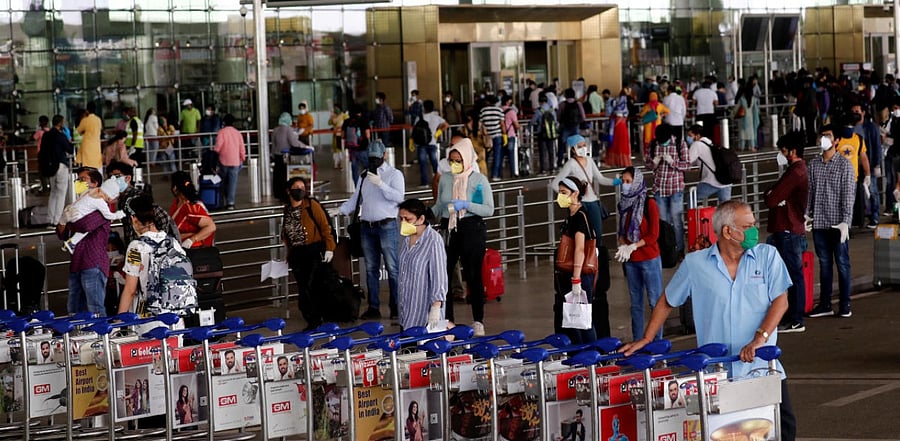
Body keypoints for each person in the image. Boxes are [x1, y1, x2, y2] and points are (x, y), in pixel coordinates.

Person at [622, 200, 797, 441]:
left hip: (761, 368)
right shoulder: (696, 264)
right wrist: (647, 338)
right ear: (728, 231)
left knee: (782, 430)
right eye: (748, 226)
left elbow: (781, 301)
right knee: (724, 434)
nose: (755, 231)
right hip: (716, 375)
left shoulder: (767, 256)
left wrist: (760, 338)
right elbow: (666, 301)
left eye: (754, 225)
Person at [432, 138, 494, 336]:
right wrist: (423, 214)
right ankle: (448, 319)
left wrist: (466, 204)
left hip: (472, 227)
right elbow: (440, 204)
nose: (454, 164)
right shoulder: (445, 179)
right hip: (449, 227)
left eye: (458, 160)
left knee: (473, 275)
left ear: (467, 159)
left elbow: (488, 209)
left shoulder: (478, 180)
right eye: (451, 160)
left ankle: (478, 320)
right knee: (445, 275)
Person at [338, 140, 404, 320]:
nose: (373, 161)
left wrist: (381, 184)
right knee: (371, 269)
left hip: (387, 225)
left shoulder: (394, 174)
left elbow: (399, 197)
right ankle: (373, 307)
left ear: (384, 155)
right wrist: (340, 210)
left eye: (376, 158)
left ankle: (396, 306)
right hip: (367, 226)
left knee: (392, 268)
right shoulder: (364, 176)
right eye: (371, 158)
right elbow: (356, 200)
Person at [118, 194, 197, 328]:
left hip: (149, 318)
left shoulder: (136, 247)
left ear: (133, 219)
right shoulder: (172, 242)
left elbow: (130, 289)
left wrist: (118, 322)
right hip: (176, 317)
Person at [807, 125, 856, 319]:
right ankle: (825, 304)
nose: (824, 139)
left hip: (838, 225)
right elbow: (810, 192)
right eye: (822, 136)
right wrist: (807, 214)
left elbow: (848, 196)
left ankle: (845, 305)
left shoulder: (845, 165)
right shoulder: (813, 165)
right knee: (825, 264)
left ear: (836, 141)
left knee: (842, 263)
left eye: (828, 136)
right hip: (819, 223)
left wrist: (846, 222)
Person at [765, 131, 809, 333]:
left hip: (788, 228)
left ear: (792, 151)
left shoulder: (795, 172)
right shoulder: (797, 170)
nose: (781, 154)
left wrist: (773, 196)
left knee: (792, 276)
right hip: (790, 228)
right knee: (792, 275)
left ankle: (795, 319)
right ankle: (793, 317)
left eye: (783, 150)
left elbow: (771, 199)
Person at [615, 167, 663, 341]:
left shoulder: (649, 204)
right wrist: (623, 246)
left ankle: (657, 342)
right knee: (635, 304)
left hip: (649, 259)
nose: (625, 185)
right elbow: (621, 232)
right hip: (631, 261)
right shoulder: (624, 204)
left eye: (628, 181)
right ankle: (637, 342)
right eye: (623, 182)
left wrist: (634, 246)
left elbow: (653, 235)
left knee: (655, 302)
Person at [281, 177, 335, 331]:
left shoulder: (312, 205)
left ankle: (315, 319)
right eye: (296, 187)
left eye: (302, 187)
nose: (300, 190)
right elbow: (287, 234)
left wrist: (329, 247)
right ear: (288, 190)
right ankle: (312, 317)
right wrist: (289, 254)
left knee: (311, 285)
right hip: (297, 254)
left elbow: (325, 226)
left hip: (313, 251)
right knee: (303, 286)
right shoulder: (287, 210)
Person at [57, 179, 113, 315]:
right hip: (76, 263)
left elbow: (85, 226)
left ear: (95, 184)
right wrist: (63, 221)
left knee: (95, 308)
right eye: (78, 179)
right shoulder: (77, 207)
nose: (79, 183)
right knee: (74, 308)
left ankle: (101, 336)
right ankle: (77, 336)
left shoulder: (101, 208)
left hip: (93, 263)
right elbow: (61, 234)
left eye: (83, 180)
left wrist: (68, 221)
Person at [552, 176, 597, 344]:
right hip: (569, 275)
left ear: (575, 193)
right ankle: (581, 356)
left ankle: (591, 359)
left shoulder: (580, 216)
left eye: (564, 193)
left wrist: (576, 279)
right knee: (573, 321)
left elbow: (580, 248)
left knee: (584, 321)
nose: (560, 197)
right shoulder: (570, 215)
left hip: (579, 276)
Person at [551, 134, 621, 238]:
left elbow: (600, 179)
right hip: (579, 204)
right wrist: (571, 198)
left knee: (597, 234)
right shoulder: (570, 164)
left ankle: (596, 253)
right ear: (573, 149)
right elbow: (555, 184)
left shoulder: (590, 160)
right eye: (580, 146)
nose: (583, 148)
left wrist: (616, 182)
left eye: (584, 145)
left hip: (593, 202)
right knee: (581, 234)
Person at [397, 199, 447, 331]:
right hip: (406, 313)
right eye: (401, 219)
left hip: (424, 315)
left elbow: (439, 277)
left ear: (421, 219)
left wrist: (436, 307)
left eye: (408, 219)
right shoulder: (406, 239)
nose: (403, 223)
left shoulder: (433, 241)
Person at [644, 124, 690, 256]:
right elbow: (648, 165)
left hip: (675, 188)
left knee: (677, 221)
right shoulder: (653, 145)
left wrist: (673, 162)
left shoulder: (679, 144)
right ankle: (666, 250)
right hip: (659, 189)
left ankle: (679, 249)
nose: (662, 143)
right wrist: (654, 162)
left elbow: (687, 165)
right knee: (663, 222)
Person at [108, 161, 180, 245]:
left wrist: (158, 239)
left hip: (145, 247)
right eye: (110, 177)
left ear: (128, 178)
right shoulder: (122, 200)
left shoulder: (136, 197)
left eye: (117, 176)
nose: (113, 180)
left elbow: (162, 217)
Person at [59, 178, 126, 254]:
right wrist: (119, 214)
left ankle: (71, 243)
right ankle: (72, 242)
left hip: (72, 214)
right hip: (77, 218)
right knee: (86, 228)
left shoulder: (89, 193)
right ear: (109, 197)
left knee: (84, 230)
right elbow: (108, 216)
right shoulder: (100, 202)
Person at [850, 103, 882, 227]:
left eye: (857, 111)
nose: (855, 113)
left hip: (870, 164)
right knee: (858, 193)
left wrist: (877, 165)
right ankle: (860, 218)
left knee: (872, 191)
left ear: (863, 112)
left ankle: (874, 218)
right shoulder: (851, 127)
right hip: (855, 166)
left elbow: (876, 146)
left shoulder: (871, 127)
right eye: (853, 111)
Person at [40, 115, 74, 226]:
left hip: (50, 167)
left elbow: (42, 150)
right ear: (60, 123)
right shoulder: (60, 135)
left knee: (53, 193)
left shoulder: (46, 135)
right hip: (60, 165)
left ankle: (50, 219)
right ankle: (57, 220)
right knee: (61, 193)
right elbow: (70, 149)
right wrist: (68, 139)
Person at [169, 171, 216, 249]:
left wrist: (192, 239)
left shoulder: (191, 208)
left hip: (194, 249)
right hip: (181, 247)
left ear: (175, 188)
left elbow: (211, 227)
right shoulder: (177, 203)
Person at [687, 124, 732, 202]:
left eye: (690, 135)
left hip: (712, 181)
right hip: (725, 181)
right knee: (725, 208)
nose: (688, 138)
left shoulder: (697, 144)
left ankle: (694, 214)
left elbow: (687, 161)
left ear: (697, 136)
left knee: (691, 198)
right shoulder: (710, 143)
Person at [213, 114, 247, 210]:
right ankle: (230, 203)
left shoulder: (221, 132)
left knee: (223, 181)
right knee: (233, 182)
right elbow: (242, 147)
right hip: (235, 161)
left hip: (223, 161)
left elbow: (218, 146)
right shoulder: (237, 133)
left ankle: (222, 200)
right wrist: (242, 157)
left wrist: (214, 154)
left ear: (224, 122)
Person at [417, 100, 450, 186]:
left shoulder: (420, 117)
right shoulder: (436, 117)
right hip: (433, 142)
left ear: (424, 107)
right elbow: (446, 124)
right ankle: (438, 180)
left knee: (423, 163)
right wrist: (438, 131)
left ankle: (424, 183)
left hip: (422, 143)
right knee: (434, 162)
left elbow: (415, 129)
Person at [557, 88, 586, 169]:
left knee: (562, 145)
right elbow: (583, 117)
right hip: (575, 127)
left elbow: (558, 117)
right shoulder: (578, 104)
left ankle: (560, 162)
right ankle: (577, 160)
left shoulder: (562, 104)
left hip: (565, 127)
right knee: (576, 145)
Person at [478, 96, 504, 181]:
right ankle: (495, 175)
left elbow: (480, 124)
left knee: (486, 156)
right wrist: (505, 134)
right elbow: (502, 124)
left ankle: (485, 173)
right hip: (497, 135)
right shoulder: (499, 110)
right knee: (497, 155)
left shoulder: (483, 111)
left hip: (487, 137)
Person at [530, 94, 558, 174]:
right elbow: (555, 122)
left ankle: (543, 169)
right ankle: (552, 168)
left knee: (542, 151)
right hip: (551, 133)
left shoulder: (539, 111)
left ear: (539, 102)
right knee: (551, 151)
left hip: (541, 133)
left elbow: (533, 121)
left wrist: (529, 127)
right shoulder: (552, 110)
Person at [606, 88, 632, 167]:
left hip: (616, 125)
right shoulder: (625, 101)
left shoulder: (616, 101)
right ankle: (623, 161)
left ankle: (614, 161)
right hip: (622, 125)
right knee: (623, 143)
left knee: (615, 143)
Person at [76, 101, 103, 171]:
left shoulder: (85, 120)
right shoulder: (98, 120)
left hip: (87, 147)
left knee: (87, 168)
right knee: (97, 167)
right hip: (96, 146)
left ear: (87, 110)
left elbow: (79, 131)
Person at [735, 86, 760, 151]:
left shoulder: (742, 99)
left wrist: (732, 115)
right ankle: (752, 146)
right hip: (751, 118)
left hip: (742, 118)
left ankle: (741, 147)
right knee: (751, 133)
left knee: (742, 134)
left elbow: (736, 109)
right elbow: (756, 110)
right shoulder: (753, 99)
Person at [500, 96, 520, 177]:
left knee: (500, 156)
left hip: (501, 135)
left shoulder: (499, 110)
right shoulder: (512, 112)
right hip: (510, 135)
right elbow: (516, 124)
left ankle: (499, 174)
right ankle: (513, 173)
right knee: (511, 155)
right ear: (508, 102)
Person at [328, 104, 348, 169]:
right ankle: (337, 163)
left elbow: (347, 123)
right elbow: (329, 123)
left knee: (342, 149)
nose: (335, 109)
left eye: (336, 108)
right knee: (336, 150)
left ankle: (342, 164)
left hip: (341, 135)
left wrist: (340, 127)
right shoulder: (334, 116)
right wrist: (331, 117)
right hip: (335, 135)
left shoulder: (344, 115)